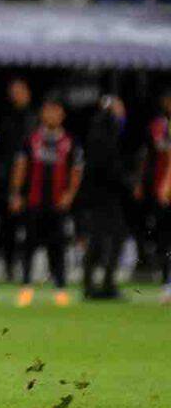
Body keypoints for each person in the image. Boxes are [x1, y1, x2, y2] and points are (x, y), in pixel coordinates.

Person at [8, 97, 83, 306]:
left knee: (57, 246)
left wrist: (70, 194)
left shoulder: (70, 141)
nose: (52, 115)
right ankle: (26, 288)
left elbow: (76, 170)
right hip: (33, 202)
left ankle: (60, 289)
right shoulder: (31, 140)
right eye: (48, 111)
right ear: (42, 114)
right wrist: (15, 193)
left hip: (57, 203)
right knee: (29, 245)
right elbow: (20, 167)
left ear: (62, 115)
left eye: (56, 111)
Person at [80, 96, 132, 299]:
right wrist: (126, 183)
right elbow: (108, 165)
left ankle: (93, 284)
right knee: (108, 238)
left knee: (101, 239)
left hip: (98, 195)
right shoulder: (107, 131)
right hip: (104, 196)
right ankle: (101, 284)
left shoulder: (98, 129)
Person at [0, 78, 35, 282]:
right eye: (14, 92)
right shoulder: (7, 121)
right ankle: (11, 268)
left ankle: (29, 272)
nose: (17, 95)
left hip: (34, 183)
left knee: (32, 230)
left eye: (20, 91)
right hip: (10, 183)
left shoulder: (34, 119)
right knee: (9, 229)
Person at [138, 91, 171, 297]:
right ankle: (167, 282)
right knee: (164, 237)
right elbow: (148, 155)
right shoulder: (157, 126)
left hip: (164, 188)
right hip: (160, 190)